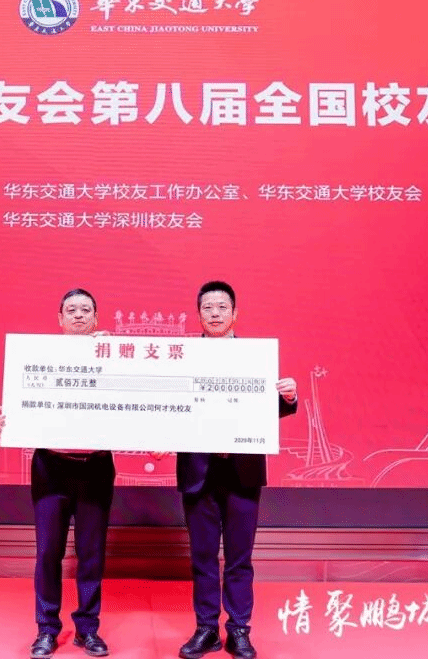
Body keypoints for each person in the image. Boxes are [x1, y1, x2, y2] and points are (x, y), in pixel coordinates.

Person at [176, 281, 298, 659]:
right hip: (199, 470)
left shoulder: (254, 359)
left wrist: (288, 397)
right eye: (207, 307)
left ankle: (239, 630)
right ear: (198, 315)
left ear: (235, 314)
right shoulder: (181, 358)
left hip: (241, 471)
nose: (215, 313)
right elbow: (169, 405)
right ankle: (206, 629)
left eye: (222, 307)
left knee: (240, 558)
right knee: (203, 557)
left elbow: (262, 411)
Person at [0, 289, 115, 659]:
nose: (79, 315)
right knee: (48, 551)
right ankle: (47, 629)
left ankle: (88, 629)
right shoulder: (38, 358)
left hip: (95, 467)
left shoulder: (113, 356)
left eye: (86, 310)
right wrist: (11, 419)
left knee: (91, 553)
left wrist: (111, 352)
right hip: (51, 467)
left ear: (96, 318)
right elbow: (20, 405)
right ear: (60, 320)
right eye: (71, 310)